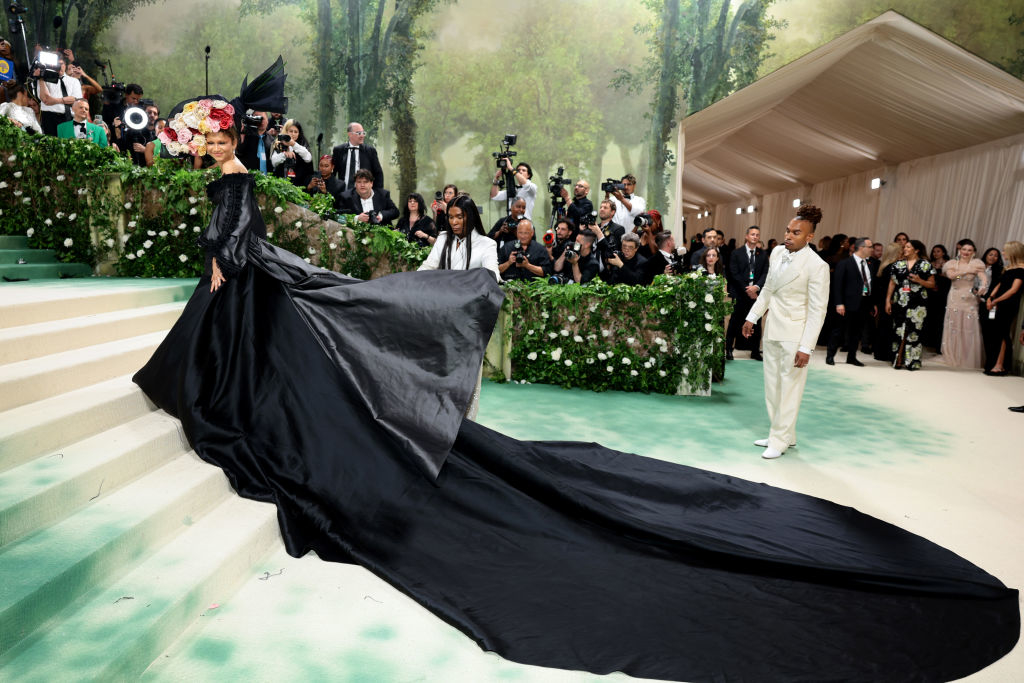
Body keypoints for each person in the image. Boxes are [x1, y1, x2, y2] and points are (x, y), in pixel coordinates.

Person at [130, 96, 1018, 683]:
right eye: (202, 140)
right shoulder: (226, 177)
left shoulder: (238, 178)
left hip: (237, 290)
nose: (207, 148)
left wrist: (220, 273)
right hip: (235, 295)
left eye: (210, 139)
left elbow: (235, 245)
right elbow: (228, 246)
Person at [742, 204, 830, 460]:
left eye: (796, 233)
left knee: (789, 388)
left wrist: (807, 347)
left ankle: (780, 441)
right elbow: (768, 289)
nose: (788, 236)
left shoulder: (817, 266)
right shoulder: (778, 252)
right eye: (787, 231)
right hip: (772, 330)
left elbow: (817, 310)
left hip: (795, 336)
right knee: (773, 386)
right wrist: (752, 317)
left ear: (809, 237)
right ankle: (782, 434)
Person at [418, 193, 499, 281]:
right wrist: (414, 280)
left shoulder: (487, 244)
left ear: (471, 217)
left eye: (459, 217)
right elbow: (428, 266)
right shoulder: (443, 238)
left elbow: (493, 276)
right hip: (442, 291)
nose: (454, 222)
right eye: (451, 217)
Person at [886, 239, 936, 371]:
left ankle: (911, 361)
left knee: (913, 331)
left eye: (908, 247)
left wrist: (920, 281)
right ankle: (898, 358)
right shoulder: (898, 264)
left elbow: (932, 284)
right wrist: (888, 300)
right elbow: (892, 283)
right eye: (905, 247)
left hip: (918, 303)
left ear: (916, 250)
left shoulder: (925, 265)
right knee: (899, 330)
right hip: (900, 301)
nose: (905, 249)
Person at [826, 237, 875, 367]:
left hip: (864, 302)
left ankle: (851, 357)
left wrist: (872, 303)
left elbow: (870, 284)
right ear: (861, 248)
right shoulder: (845, 263)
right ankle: (830, 356)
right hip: (846, 304)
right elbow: (837, 285)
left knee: (856, 332)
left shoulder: (871, 264)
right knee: (838, 330)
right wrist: (839, 303)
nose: (872, 249)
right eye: (870, 247)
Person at [940, 239, 987, 369]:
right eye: (964, 249)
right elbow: (953, 276)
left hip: (970, 298)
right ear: (959, 250)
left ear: (974, 252)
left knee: (969, 326)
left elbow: (982, 277)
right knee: (954, 324)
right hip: (955, 296)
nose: (966, 252)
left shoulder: (977, 264)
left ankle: (967, 358)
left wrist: (983, 285)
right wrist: (966, 271)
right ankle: (953, 355)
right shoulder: (952, 263)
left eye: (969, 250)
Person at [726, 226, 768, 361]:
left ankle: (755, 351)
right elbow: (734, 273)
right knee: (734, 321)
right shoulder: (736, 253)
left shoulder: (762, 254)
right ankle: (728, 349)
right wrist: (747, 289)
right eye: (752, 234)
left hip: (756, 294)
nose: (755, 237)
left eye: (757, 235)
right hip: (740, 293)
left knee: (756, 321)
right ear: (746, 236)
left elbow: (766, 273)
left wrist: (756, 287)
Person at [982, 241, 1024, 376]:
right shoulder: (1008, 268)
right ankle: (992, 363)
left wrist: (995, 301)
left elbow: (1013, 290)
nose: (1003, 253)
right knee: (993, 333)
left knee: (1002, 333)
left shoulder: (1022, 269)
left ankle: (1000, 365)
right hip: (997, 303)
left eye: (1005, 251)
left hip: (1008, 305)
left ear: (1013, 252)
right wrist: (990, 298)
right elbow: (999, 285)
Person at [335, 169, 399, 226]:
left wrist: (381, 216)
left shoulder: (383, 195)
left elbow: (395, 212)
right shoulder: (346, 197)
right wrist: (357, 218)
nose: (362, 185)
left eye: (365, 182)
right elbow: (338, 217)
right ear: (355, 184)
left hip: (381, 234)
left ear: (371, 183)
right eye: (359, 182)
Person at [36, 54, 81, 135]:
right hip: (49, 117)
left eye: (61, 64)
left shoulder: (74, 81)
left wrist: (54, 100)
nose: (59, 67)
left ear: (65, 65)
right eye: (57, 64)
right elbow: (45, 99)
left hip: (68, 117)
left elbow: (75, 101)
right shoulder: (44, 79)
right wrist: (41, 78)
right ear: (52, 65)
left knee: (68, 144)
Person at [331, 121, 383, 191]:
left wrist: (377, 194)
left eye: (363, 133)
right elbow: (332, 173)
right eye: (359, 133)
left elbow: (378, 174)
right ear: (350, 134)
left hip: (364, 195)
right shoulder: (339, 150)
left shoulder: (370, 151)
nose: (362, 136)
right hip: (342, 194)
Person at [872, 243, 902, 363]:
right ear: (896, 253)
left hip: (882, 299)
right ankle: (887, 353)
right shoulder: (893, 267)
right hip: (890, 300)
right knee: (889, 327)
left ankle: (879, 352)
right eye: (900, 251)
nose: (902, 253)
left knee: (883, 326)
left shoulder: (883, 265)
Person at [270, 119, 313, 187]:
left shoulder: (303, 143)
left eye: (296, 132)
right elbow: (274, 162)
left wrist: (293, 144)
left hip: (299, 184)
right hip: (281, 183)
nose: (293, 134)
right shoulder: (279, 142)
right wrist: (284, 155)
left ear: (299, 133)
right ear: (286, 132)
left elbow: (308, 158)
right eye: (291, 131)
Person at [924, 244, 952, 350]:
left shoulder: (949, 264)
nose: (936, 253)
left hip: (943, 294)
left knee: (940, 319)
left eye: (938, 251)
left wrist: (948, 276)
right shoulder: (929, 264)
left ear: (943, 253)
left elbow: (958, 277)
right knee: (929, 318)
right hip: (931, 294)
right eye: (934, 251)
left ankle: (938, 344)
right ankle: (928, 342)